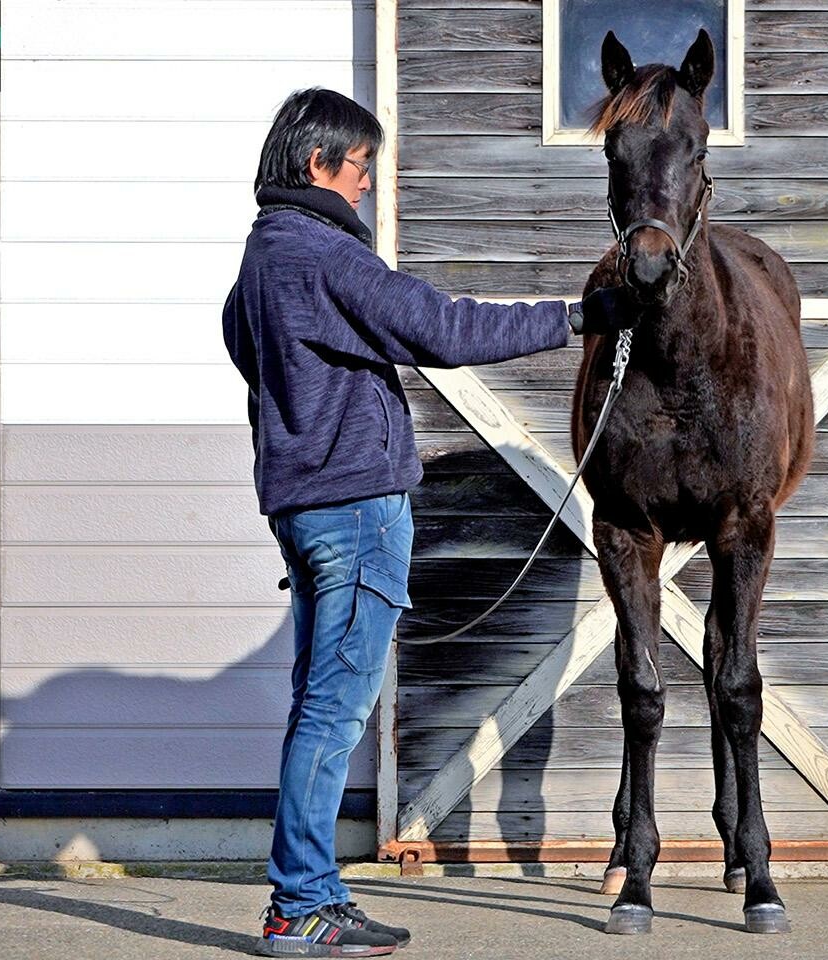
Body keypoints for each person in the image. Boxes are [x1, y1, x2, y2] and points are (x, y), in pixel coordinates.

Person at [222, 87, 637, 957]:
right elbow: (440, 327)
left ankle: (307, 897)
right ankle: (300, 906)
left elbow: (242, 346)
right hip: (355, 511)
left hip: (299, 507)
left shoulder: (258, 264)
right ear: (317, 164)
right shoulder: (324, 255)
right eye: (361, 165)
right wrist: (574, 318)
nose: (368, 184)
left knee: (318, 707)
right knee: (335, 716)